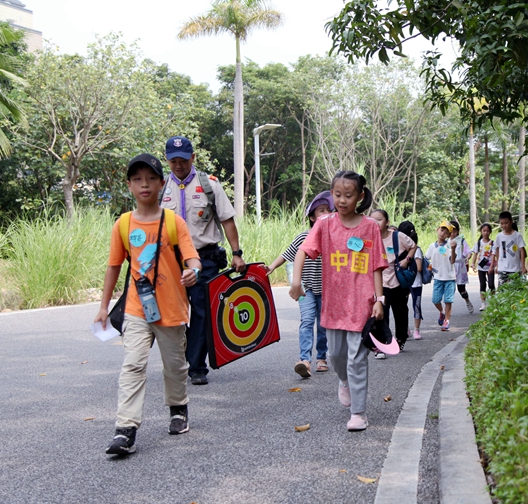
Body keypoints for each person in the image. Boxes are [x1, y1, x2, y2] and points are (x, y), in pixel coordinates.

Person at [94, 154, 203, 456]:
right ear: (129, 185)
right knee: (133, 364)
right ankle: (125, 429)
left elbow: (191, 256)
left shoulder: (173, 222)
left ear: (161, 183)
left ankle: (178, 410)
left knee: (175, 367)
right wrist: (103, 307)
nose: (145, 184)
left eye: (151, 178)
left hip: (171, 308)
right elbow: (114, 266)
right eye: (138, 179)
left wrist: (193, 270)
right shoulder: (123, 224)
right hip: (136, 308)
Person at [291, 171, 387, 432]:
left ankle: (359, 413)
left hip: (362, 303)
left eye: (349, 195)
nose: (342, 200)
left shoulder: (369, 227)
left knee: (357, 359)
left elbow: (377, 265)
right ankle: (343, 381)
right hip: (333, 304)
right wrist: (296, 281)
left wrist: (380, 299)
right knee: (335, 356)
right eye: (337, 195)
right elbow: (303, 251)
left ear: (360, 196)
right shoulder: (324, 225)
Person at [160, 136, 246, 386]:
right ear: (167, 160)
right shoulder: (161, 187)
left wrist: (237, 252)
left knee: (201, 313)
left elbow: (227, 220)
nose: (178, 165)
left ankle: (197, 367)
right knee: (173, 315)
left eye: (183, 160)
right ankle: (180, 361)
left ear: (193, 158)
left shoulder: (209, 185)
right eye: (173, 160)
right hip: (170, 261)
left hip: (204, 258)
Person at [263, 192, 333, 378]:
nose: (326, 213)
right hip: (305, 288)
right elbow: (287, 254)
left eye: (328, 210)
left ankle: (322, 358)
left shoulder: (333, 237)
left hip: (327, 290)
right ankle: (304, 360)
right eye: (321, 210)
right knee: (307, 321)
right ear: (312, 217)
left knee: (324, 325)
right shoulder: (303, 237)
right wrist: (270, 267)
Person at [370, 209, 416, 357]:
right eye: (372, 220)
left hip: (397, 282)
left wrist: (406, 260)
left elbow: (413, 246)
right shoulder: (368, 239)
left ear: (387, 222)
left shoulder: (397, 237)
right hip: (379, 283)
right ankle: (382, 345)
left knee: (401, 312)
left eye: (379, 219)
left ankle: (401, 339)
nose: (376, 223)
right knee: (380, 314)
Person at [425, 221, 457, 331]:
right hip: (438, 278)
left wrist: (453, 249)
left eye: (446, 232)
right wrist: (429, 269)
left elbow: (452, 261)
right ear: (437, 229)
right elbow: (427, 259)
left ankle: (447, 321)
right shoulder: (431, 246)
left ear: (449, 235)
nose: (443, 233)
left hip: (449, 278)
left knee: (448, 300)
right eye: (442, 230)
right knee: (435, 300)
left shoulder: (450, 245)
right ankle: (442, 312)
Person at [397, 221, 423, 340]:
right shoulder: (413, 248)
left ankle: (413, 330)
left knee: (406, 307)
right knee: (409, 307)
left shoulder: (412, 249)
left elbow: (419, 268)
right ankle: (411, 330)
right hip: (409, 283)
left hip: (407, 283)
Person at [493, 211, 527, 285]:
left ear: (511, 221)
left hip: (515, 268)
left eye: (506, 223)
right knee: (502, 291)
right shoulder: (499, 236)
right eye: (502, 223)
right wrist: (497, 264)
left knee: (514, 291)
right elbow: (497, 250)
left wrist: (523, 266)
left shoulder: (517, 236)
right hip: (502, 268)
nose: (504, 225)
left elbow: (522, 251)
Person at [449, 220, 474, 313]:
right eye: (450, 231)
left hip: (460, 268)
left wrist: (468, 257)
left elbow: (468, 252)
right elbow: (442, 253)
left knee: (461, 289)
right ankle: (448, 309)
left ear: (458, 231)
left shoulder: (461, 241)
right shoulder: (446, 242)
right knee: (449, 290)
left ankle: (467, 300)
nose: (452, 234)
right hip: (449, 268)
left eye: (454, 231)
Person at [469, 223, 495, 311]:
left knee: (491, 284)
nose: (486, 233)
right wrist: (473, 263)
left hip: (490, 266)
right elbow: (475, 254)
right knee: (482, 285)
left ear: (490, 232)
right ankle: (483, 303)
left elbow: (493, 255)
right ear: (481, 231)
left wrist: (493, 266)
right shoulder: (478, 243)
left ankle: (493, 302)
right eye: (484, 231)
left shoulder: (492, 243)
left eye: (488, 231)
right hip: (481, 267)